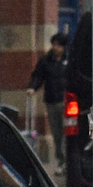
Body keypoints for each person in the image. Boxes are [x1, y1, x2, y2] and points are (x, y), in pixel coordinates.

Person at [26, 33, 70, 171]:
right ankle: (60, 160)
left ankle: (66, 160)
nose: (55, 47)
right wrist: (33, 87)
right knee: (56, 133)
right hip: (51, 101)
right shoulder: (46, 61)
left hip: (66, 102)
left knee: (66, 132)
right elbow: (38, 76)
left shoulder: (70, 60)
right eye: (54, 44)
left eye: (58, 45)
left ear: (64, 47)